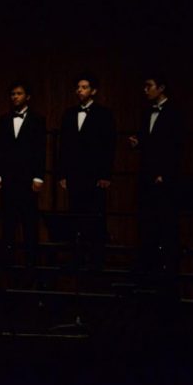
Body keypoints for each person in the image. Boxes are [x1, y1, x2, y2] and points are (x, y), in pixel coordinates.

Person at [57, 73, 116, 269]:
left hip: (95, 175)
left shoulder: (104, 114)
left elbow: (109, 146)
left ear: (94, 91)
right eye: (78, 87)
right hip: (74, 174)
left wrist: (106, 175)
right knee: (76, 216)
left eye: (84, 87)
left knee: (96, 217)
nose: (79, 90)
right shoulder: (69, 114)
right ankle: (77, 257)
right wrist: (63, 174)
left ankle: (97, 259)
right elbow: (63, 146)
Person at [128, 75, 184, 280]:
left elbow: (175, 146)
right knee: (146, 220)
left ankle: (167, 268)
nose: (145, 90)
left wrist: (165, 174)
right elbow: (149, 141)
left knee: (165, 222)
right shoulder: (146, 113)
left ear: (161, 88)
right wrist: (138, 143)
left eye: (149, 86)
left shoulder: (174, 113)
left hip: (164, 177)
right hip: (147, 174)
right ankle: (147, 266)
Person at [0, 82, 47, 268]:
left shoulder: (38, 119)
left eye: (19, 93)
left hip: (28, 178)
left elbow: (41, 150)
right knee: (8, 221)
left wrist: (39, 176)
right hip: (8, 178)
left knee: (29, 221)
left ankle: (32, 262)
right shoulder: (4, 119)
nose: (15, 97)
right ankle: (7, 263)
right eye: (12, 94)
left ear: (27, 96)